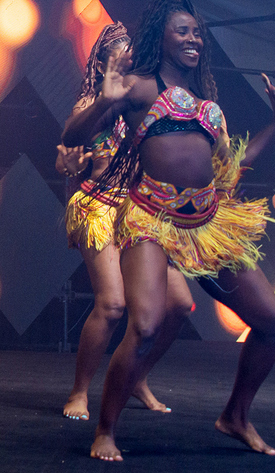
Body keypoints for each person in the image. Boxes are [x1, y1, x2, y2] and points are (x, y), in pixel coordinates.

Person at [64, 0, 275, 462]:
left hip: (207, 224)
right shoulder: (139, 87)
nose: (193, 39)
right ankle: (105, 430)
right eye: (182, 31)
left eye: (197, 33)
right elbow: (72, 135)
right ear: (160, 37)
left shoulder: (207, 103)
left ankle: (236, 416)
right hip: (151, 220)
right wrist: (104, 102)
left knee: (272, 321)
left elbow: (231, 165)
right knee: (144, 325)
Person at [56, 23, 188, 421]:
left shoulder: (143, 101)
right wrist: (70, 165)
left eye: (133, 59)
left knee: (178, 303)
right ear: (103, 65)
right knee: (113, 304)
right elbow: (64, 157)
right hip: (97, 207)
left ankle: (136, 378)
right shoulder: (91, 105)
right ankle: (79, 391)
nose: (130, 65)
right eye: (121, 59)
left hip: (136, 211)